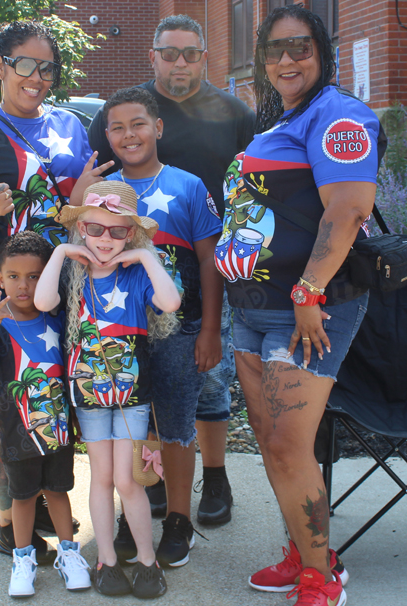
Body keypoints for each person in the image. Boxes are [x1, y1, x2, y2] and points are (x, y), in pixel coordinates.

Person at [215, 5, 382, 606]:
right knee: (271, 439)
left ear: (323, 53)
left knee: (286, 444)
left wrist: (308, 292)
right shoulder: (283, 118)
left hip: (305, 311)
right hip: (251, 308)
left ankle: (322, 577)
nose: (288, 60)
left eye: (301, 48)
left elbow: (347, 211)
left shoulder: (340, 116)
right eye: (276, 50)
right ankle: (305, 551)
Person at [0, 20, 109, 558]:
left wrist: (79, 198)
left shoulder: (73, 126)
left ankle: (47, 502)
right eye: (25, 64)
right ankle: (10, 519)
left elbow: (78, 207)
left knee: (51, 396)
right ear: (0, 65)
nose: (37, 77)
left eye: (47, 66)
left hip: (60, 286)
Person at [89, 13, 255, 529]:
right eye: (168, 52)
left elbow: (252, 186)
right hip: (132, 277)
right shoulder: (126, 109)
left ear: (204, 56)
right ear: (153, 55)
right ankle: (152, 480)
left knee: (208, 383)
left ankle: (216, 474)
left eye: (189, 53)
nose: (179, 62)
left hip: (208, 266)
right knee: (143, 385)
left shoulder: (233, 112)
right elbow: (96, 186)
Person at [35, 181, 180, 598]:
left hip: (132, 396)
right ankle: (108, 562)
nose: (105, 240)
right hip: (90, 396)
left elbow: (169, 302)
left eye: (118, 232)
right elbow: (44, 303)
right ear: (81, 228)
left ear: (131, 235)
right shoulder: (71, 272)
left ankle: (148, 563)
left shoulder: (137, 275)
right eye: (95, 229)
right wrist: (62, 251)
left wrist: (144, 256)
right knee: (101, 477)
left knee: (128, 480)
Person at [98, 87, 224, 567]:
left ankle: (177, 520)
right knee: (125, 428)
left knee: (174, 426)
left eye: (138, 124)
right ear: (108, 134)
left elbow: (210, 263)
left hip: (180, 331)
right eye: (118, 127)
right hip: (119, 337)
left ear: (158, 128)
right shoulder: (103, 194)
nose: (129, 135)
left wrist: (210, 329)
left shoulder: (188, 186)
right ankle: (131, 518)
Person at [0, 231, 90, 598]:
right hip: (17, 435)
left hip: (58, 432)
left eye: (34, 276)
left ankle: (69, 555)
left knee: (58, 490)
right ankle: (23, 560)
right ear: (0, 278)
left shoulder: (58, 320)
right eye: (14, 276)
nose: (24, 285)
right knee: (23, 497)